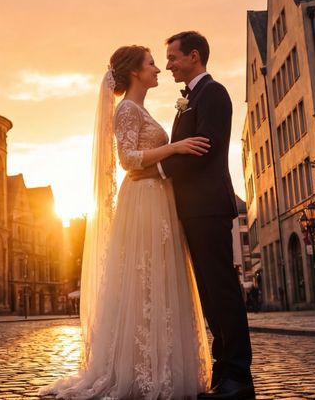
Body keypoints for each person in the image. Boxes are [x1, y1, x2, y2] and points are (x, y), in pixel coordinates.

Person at [41, 45, 213, 399]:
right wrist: (174, 148)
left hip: (157, 197)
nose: (158, 69)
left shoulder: (139, 109)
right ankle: (139, 370)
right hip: (143, 200)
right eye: (151, 63)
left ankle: (160, 366)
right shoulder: (128, 110)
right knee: (143, 276)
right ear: (135, 71)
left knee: (157, 278)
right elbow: (128, 158)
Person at [129, 32, 255, 400]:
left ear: (194, 56)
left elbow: (204, 149)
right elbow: (185, 148)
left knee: (222, 291)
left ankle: (238, 377)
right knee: (210, 295)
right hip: (193, 209)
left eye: (173, 57)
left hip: (208, 207)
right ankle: (223, 372)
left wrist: (156, 171)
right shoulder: (191, 99)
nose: (168, 65)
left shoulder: (212, 94)